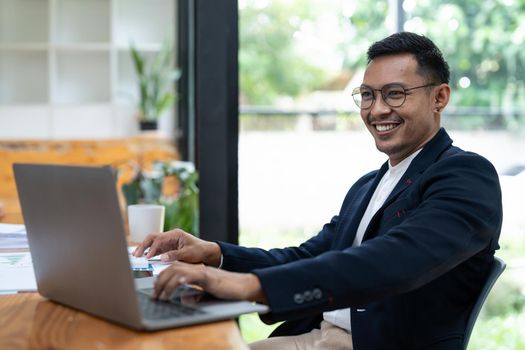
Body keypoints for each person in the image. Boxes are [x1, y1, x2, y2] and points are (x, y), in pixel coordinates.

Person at [133, 32, 502, 350]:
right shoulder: (368, 186)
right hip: (318, 336)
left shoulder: (466, 175)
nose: (377, 110)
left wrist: (247, 285)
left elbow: (394, 260)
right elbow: (308, 256)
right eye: (368, 95)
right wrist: (214, 255)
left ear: (439, 98)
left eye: (394, 94)